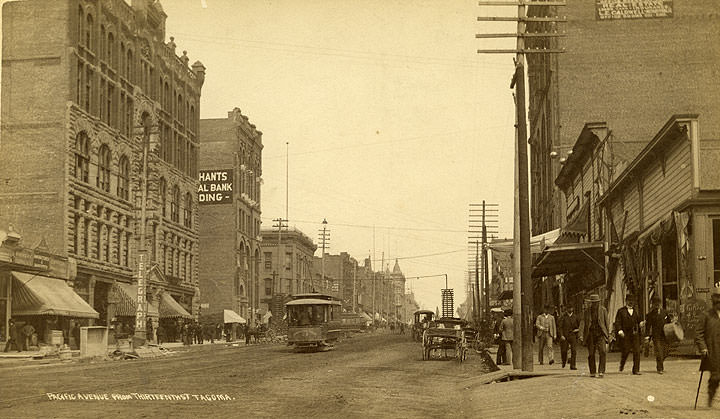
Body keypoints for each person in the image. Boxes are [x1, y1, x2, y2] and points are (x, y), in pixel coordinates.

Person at [697, 286, 720, 407]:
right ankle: (711, 394)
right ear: (713, 301)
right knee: (716, 377)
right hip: (713, 352)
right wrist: (703, 348)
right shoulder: (706, 315)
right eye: (717, 300)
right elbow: (698, 333)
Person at [615, 294, 643, 375]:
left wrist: (641, 323)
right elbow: (618, 322)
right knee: (626, 351)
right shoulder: (621, 311)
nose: (631, 303)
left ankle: (636, 370)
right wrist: (620, 330)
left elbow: (639, 319)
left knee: (637, 351)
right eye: (629, 301)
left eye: (632, 301)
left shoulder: (636, 310)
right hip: (625, 335)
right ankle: (622, 363)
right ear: (626, 301)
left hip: (634, 334)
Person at [582, 294, 609, 378]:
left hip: (600, 333)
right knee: (591, 353)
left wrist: (608, 334)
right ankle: (592, 371)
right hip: (590, 334)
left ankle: (601, 371)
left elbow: (606, 322)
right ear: (591, 303)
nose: (594, 304)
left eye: (596, 302)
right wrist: (581, 335)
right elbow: (583, 323)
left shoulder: (603, 310)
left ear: (598, 302)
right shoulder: (586, 311)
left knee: (603, 352)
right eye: (593, 303)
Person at [646, 295, 671, 374]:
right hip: (656, 336)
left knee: (666, 352)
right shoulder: (650, 314)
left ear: (660, 303)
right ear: (653, 304)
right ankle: (659, 368)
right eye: (655, 303)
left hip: (665, 335)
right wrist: (647, 337)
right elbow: (648, 326)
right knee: (659, 352)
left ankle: (660, 363)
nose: (656, 305)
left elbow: (669, 323)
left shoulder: (665, 312)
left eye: (658, 303)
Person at [559, 304, 580, 370]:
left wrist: (578, 330)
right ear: (567, 309)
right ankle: (564, 361)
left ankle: (573, 365)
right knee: (564, 350)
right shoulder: (563, 317)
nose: (570, 309)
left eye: (571, 308)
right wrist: (561, 335)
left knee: (574, 350)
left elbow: (579, 326)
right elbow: (560, 327)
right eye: (569, 308)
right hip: (565, 336)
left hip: (573, 335)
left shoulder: (575, 317)